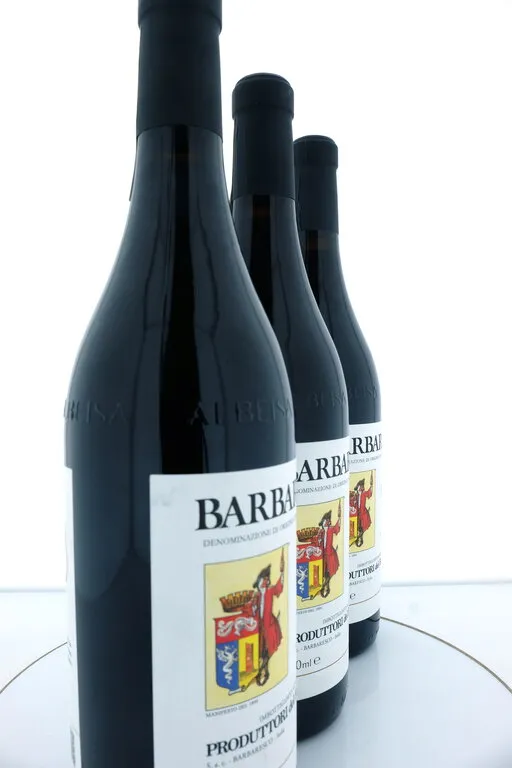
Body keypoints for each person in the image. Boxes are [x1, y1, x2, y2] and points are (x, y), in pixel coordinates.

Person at [244, 553, 285, 685]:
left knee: (268, 648)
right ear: (259, 582)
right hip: (258, 627)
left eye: (267, 579)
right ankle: (259, 669)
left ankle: (264, 669)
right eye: (264, 579)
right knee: (259, 650)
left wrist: (282, 573)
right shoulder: (255, 596)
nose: (266, 581)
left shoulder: (269, 591)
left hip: (269, 625)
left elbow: (279, 588)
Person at [316, 504, 341, 597]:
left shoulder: (331, 529)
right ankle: (325, 586)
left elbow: (337, 527)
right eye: (324, 521)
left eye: (327, 521)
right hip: (322, 555)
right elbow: (317, 542)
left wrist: (339, 517)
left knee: (329, 571)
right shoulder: (320, 532)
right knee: (322, 572)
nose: (326, 523)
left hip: (330, 554)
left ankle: (325, 585)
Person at [353, 474, 373, 547]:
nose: (361, 488)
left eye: (362, 486)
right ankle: (357, 538)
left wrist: (371, 486)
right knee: (356, 526)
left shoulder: (364, 493)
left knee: (362, 526)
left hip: (363, 513)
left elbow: (369, 493)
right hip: (356, 513)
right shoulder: (355, 495)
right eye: (360, 486)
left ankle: (360, 538)